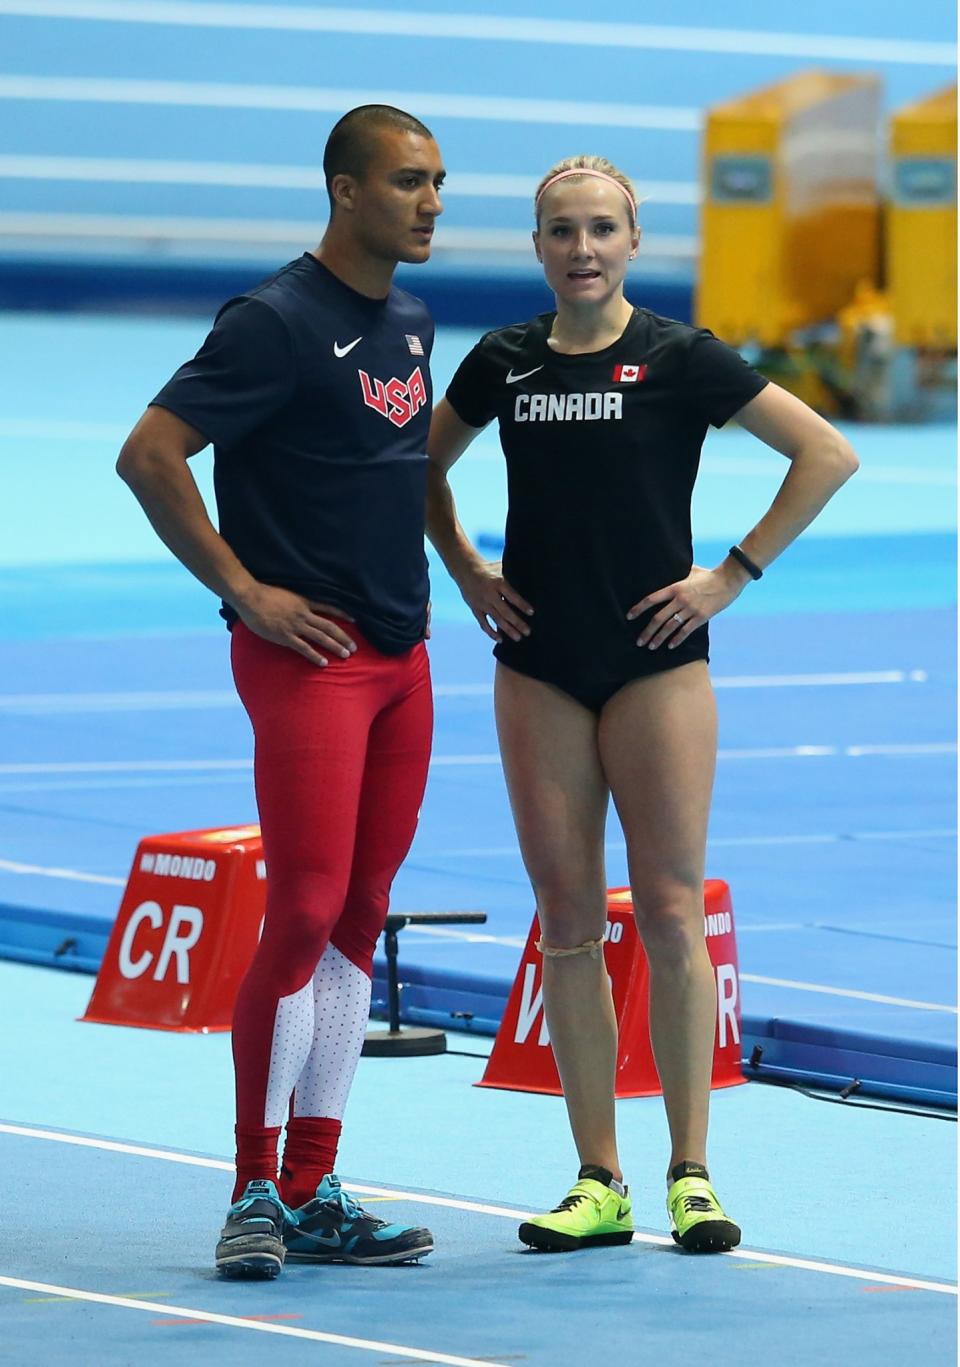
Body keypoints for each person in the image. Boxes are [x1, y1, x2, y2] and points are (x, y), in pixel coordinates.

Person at [426, 155, 858, 1254]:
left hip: (659, 666)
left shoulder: (678, 357)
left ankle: (692, 1171)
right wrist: (468, 570)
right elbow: (417, 466)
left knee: (668, 910)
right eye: (561, 231)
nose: (582, 248)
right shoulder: (506, 360)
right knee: (567, 922)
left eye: (602, 229)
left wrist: (732, 572)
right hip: (539, 666)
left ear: (633, 242)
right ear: (537, 248)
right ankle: (596, 1176)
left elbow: (825, 451)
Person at [117, 105, 446, 1278]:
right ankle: (253, 1185)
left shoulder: (407, 318)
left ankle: (313, 1181)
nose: (431, 202)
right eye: (409, 181)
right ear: (346, 191)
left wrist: (456, 576)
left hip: (404, 662)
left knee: (358, 918)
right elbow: (149, 454)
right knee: (303, 911)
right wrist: (246, 588)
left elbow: (399, 476)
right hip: (312, 659)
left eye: (438, 183)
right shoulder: (271, 322)